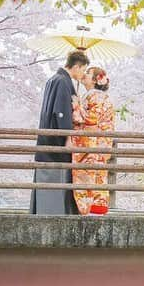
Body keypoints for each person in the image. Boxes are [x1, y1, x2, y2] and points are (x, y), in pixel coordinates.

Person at [30, 50, 89, 214]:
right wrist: (68, 136)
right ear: (76, 67)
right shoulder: (63, 81)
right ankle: (55, 212)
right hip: (56, 141)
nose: (83, 74)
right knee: (58, 177)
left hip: (46, 137)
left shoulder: (53, 79)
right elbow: (61, 111)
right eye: (83, 69)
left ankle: (42, 210)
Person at [71, 67, 115, 215]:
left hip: (92, 142)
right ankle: (96, 208)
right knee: (96, 176)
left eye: (88, 73)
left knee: (88, 176)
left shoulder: (96, 96)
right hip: (98, 143)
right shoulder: (94, 95)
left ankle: (89, 208)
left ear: (96, 80)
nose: (84, 75)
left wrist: (76, 105)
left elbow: (91, 119)